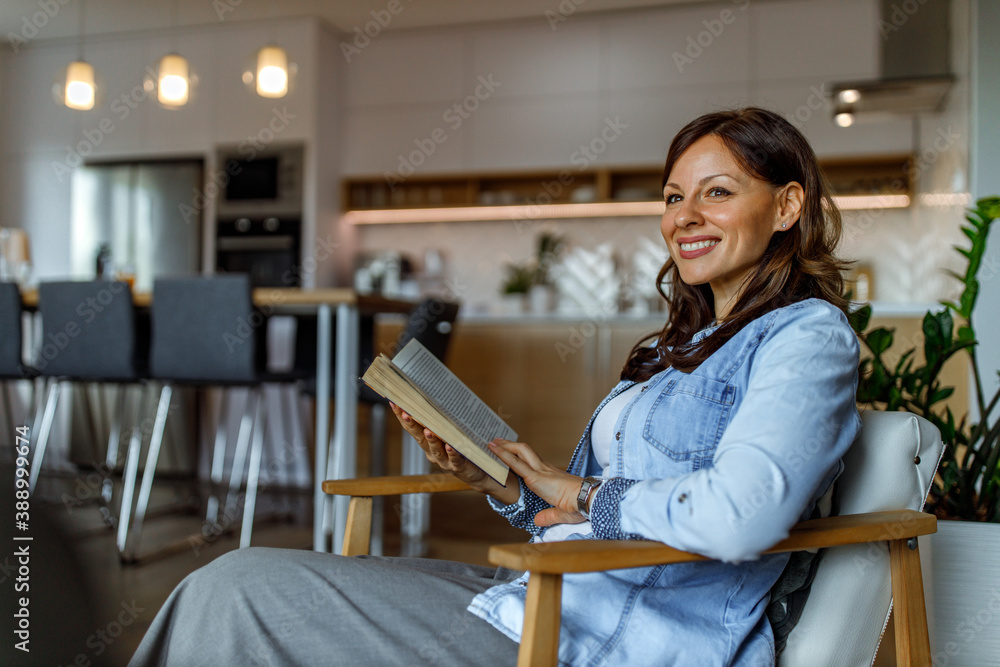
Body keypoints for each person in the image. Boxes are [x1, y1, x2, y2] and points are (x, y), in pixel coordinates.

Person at [129, 107, 860, 667]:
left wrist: (580, 493)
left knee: (237, 590)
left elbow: (740, 516)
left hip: (615, 640)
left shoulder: (807, 338)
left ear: (788, 207)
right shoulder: (678, 347)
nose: (684, 217)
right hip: (539, 599)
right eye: (673, 197)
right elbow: (584, 514)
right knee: (227, 582)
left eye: (717, 192)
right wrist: (510, 484)